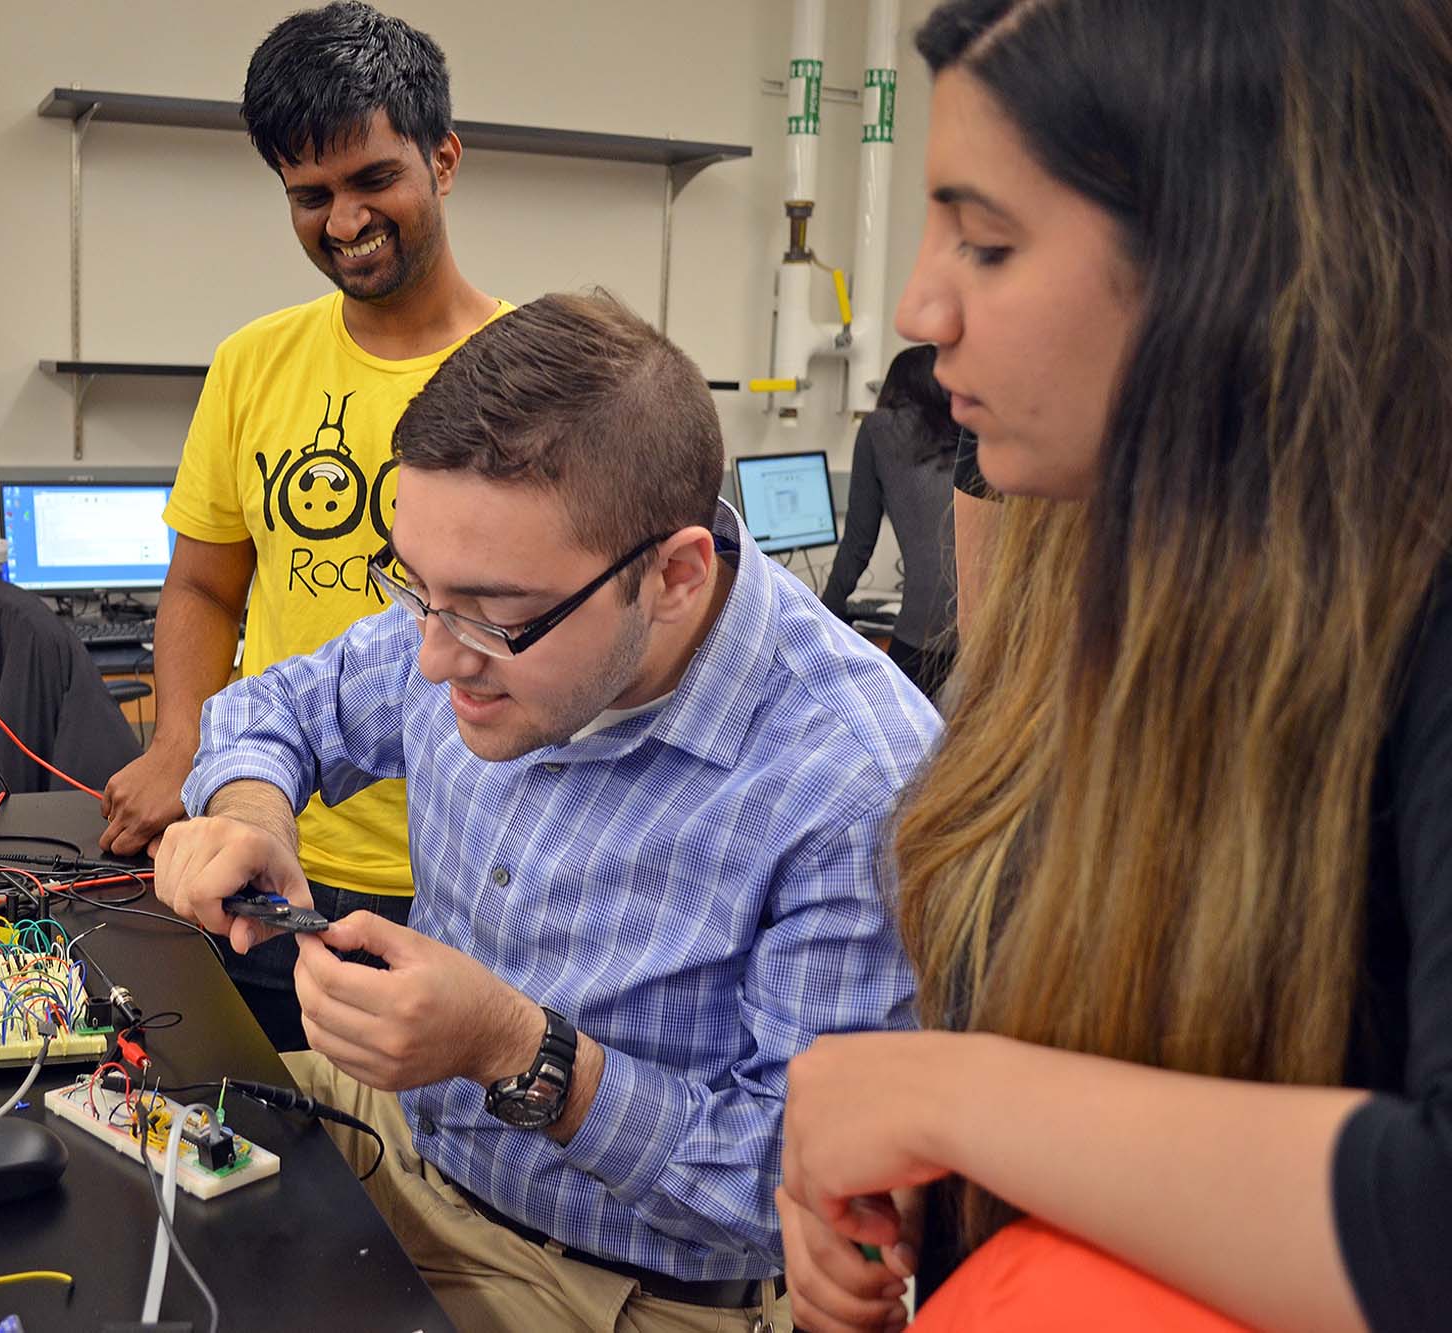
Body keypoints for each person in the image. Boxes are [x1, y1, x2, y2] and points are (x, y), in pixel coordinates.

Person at [771, 2, 1452, 1331]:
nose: (919, 307)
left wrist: (950, 1103)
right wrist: (943, 1186)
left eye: (988, 241)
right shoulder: (1079, 561)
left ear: (1232, 256)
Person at [153, 292, 939, 1331]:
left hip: (626, 1287)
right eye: (412, 588)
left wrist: (519, 1053)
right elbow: (275, 707)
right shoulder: (464, 602)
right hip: (402, 1142)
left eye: (494, 617)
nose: (435, 658)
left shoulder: (854, 782)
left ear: (673, 576)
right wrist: (251, 812)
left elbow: (798, 1183)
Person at [95, 2, 508, 1049]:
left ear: (444, 159)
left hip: (472, 873)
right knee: (268, 1131)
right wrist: (182, 745)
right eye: (310, 195)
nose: (344, 220)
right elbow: (203, 587)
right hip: (268, 857)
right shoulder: (252, 363)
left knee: (452, 1143)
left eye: (374, 179)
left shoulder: (532, 378)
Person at [820, 345, 962, 700]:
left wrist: (823, 614)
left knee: (892, 721)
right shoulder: (970, 430)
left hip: (925, 627)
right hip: (991, 625)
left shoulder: (879, 428)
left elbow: (858, 542)